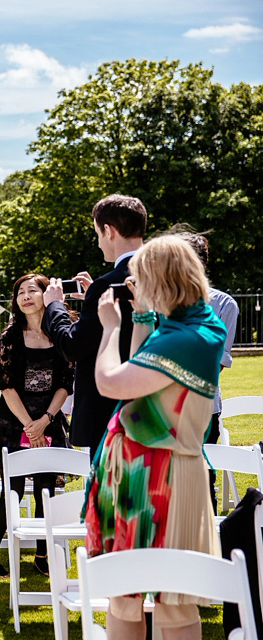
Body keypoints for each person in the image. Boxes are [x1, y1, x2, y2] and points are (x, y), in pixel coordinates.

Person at [85, 235, 225, 639]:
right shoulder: (187, 327)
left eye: (140, 279)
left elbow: (112, 381)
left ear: (161, 280)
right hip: (137, 478)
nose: (136, 286)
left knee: (172, 607)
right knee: (123, 597)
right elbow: (141, 371)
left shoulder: (188, 339)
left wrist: (110, 328)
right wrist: (143, 318)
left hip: (164, 482)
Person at [0, 274, 74, 579]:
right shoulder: (10, 337)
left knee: (47, 488)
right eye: (20, 292)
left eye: (33, 290)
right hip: (12, 422)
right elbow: (4, 386)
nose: (26, 295)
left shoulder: (61, 335)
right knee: (13, 490)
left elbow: (65, 384)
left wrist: (44, 421)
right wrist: (29, 426)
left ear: (48, 295)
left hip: (49, 419)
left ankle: (43, 556)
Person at [42, 194, 146, 458]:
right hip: (154, 409)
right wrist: (91, 298)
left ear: (109, 231)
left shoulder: (107, 284)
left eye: (98, 234)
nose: (99, 243)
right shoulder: (162, 276)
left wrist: (54, 305)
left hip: (109, 413)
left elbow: (73, 347)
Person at [177, 231, 238, 513]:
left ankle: (209, 547)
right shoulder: (151, 301)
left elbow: (216, 366)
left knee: (202, 477)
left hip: (201, 407)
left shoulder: (224, 305)